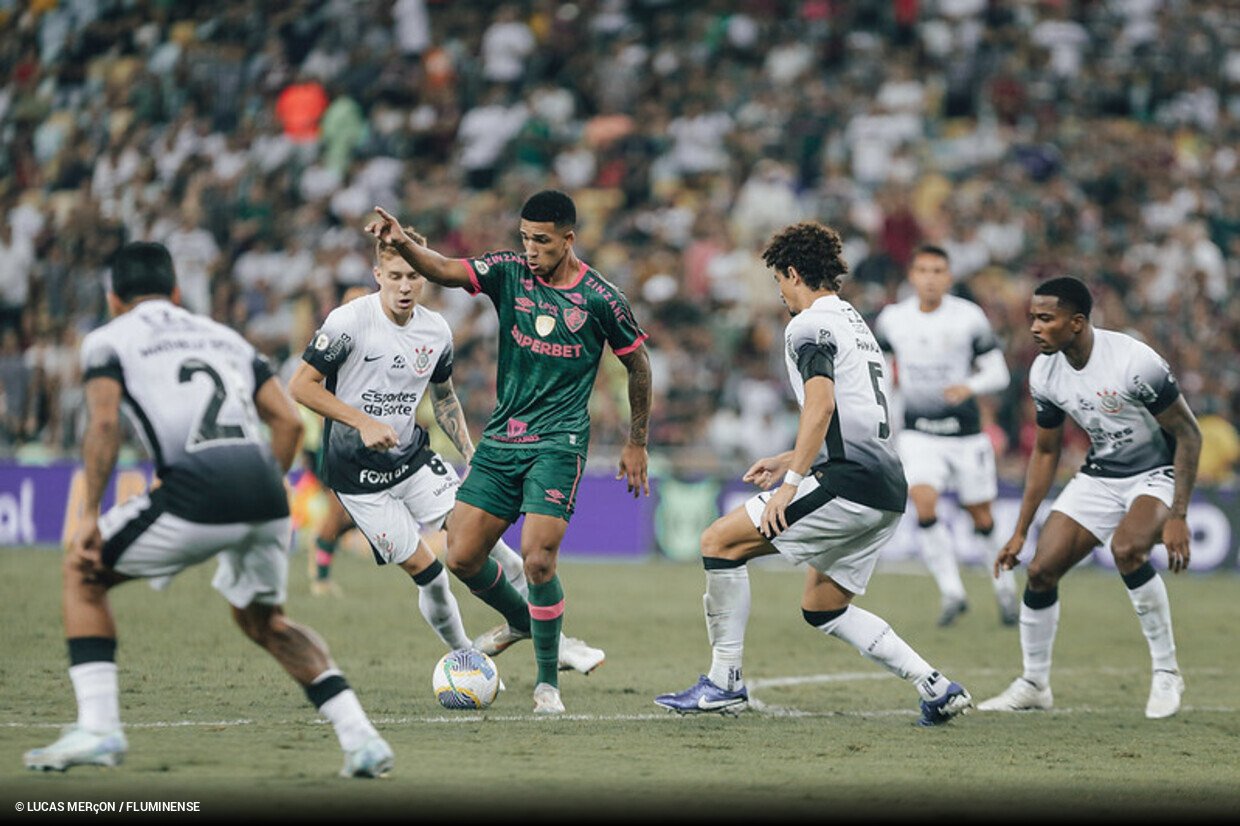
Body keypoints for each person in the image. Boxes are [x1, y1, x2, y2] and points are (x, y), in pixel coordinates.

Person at [23, 242, 392, 777]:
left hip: (195, 487)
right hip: (268, 492)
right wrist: (263, 487)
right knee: (265, 621)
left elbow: (102, 425)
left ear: (112, 299)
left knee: (82, 571)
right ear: (176, 292)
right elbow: (287, 424)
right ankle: (363, 740)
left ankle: (100, 729)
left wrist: (85, 516)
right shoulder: (226, 338)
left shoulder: (108, 339)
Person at [653, 221, 972, 727]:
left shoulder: (807, 326)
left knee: (719, 542)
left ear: (793, 273)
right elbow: (851, 410)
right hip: (888, 486)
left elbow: (821, 406)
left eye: (779, 280)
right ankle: (934, 685)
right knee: (824, 605)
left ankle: (725, 682)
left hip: (848, 482)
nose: (779, 292)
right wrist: (788, 456)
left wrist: (792, 483)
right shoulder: (855, 322)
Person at [365, 190, 652, 714]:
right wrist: (403, 242)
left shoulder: (601, 298)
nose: (530, 249)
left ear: (569, 239)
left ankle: (547, 686)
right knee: (461, 554)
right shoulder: (509, 273)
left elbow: (639, 364)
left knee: (540, 559)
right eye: (524, 238)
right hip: (503, 438)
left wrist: (637, 441)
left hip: (559, 442)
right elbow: (447, 269)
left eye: (541, 241)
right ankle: (524, 620)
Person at [287, 235, 605, 674]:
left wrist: (471, 453)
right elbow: (300, 386)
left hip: (413, 460)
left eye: (413, 276)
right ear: (378, 276)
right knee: (431, 575)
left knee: (486, 544)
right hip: (357, 477)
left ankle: (556, 641)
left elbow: (444, 399)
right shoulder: (348, 322)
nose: (403, 286)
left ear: (426, 278)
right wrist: (361, 422)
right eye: (394, 276)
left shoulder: (435, 331)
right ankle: (468, 659)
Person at [979, 276, 1202, 719]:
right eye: (1033, 319)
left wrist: (1178, 512)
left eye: (1047, 318)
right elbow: (1045, 452)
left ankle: (1166, 672)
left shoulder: (1133, 361)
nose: (1036, 328)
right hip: (1102, 474)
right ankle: (1034, 684)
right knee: (1041, 571)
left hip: (1156, 472)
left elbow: (1189, 435)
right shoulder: (1044, 372)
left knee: (1128, 549)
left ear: (1077, 322)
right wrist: (1020, 531)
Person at [874, 245, 1019, 626]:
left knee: (981, 515)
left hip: (966, 433)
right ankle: (952, 592)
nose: (930, 278)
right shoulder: (893, 319)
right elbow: (882, 372)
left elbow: (998, 373)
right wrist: (884, 415)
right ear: (911, 276)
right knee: (923, 502)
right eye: (923, 270)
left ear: (949, 277)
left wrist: (969, 387)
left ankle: (1006, 590)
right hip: (919, 433)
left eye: (938, 270)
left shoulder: (968, 318)